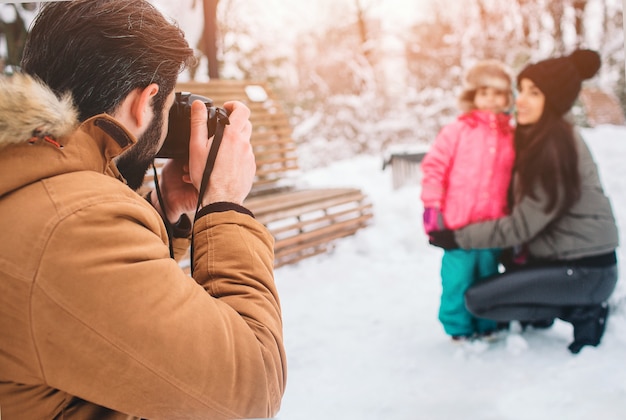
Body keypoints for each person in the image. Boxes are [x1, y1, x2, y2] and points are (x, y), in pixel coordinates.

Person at [0, 1, 286, 418]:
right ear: (144, 101)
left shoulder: (36, 188)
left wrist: (162, 207)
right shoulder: (71, 228)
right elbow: (252, 388)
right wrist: (224, 203)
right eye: (168, 106)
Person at [429, 49, 619, 354]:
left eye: (535, 92)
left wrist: (458, 237)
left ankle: (582, 311)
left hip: (586, 271)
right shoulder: (540, 137)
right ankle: (546, 308)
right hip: (567, 261)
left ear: (553, 99)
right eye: (522, 90)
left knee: (478, 300)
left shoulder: (555, 149)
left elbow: (522, 226)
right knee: (504, 262)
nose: (521, 100)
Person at [421, 60, 516, 342]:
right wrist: (432, 211)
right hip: (457, 227)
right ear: (472, 96)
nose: (490, 99)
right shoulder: (457, 130)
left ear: (507, 97)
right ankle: (457, 326)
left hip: (492, 226)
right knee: (457, 279)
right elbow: (434, 168)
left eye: (498, 93)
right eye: (484, 92)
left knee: (488, 276)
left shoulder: (510, 135)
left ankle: (487, 323)